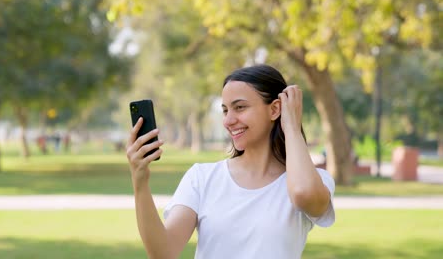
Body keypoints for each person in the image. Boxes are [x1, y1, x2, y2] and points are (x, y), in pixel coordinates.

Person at [126, 64, 335, 259]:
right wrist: (140, 183)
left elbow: (303, 194)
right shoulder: (202, 178)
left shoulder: (312, 181)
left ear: (274, 109)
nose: (228, 121)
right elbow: (164, 252)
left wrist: (291, 126)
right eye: (225, 110)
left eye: (240, 107)